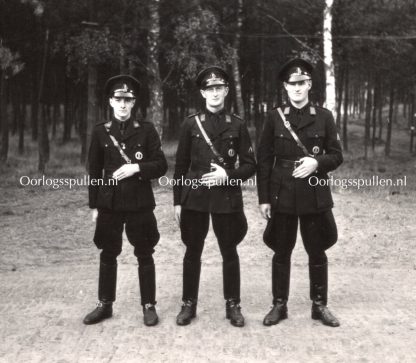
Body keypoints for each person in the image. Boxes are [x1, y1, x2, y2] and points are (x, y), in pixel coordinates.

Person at [257, 58, 343, 327]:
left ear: (309, 85)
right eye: (292, 84)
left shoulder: (325, 117)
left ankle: (319, 305)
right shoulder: (273, 118)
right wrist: (263, 198)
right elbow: (263, 160)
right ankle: (279, 305)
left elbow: (337, 156)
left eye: (302, 83)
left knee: (317, 252)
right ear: (285, 86)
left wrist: (317, 162)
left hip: (314, 194)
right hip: (282, 194)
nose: (297, 88)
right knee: (281, 252)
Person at [173, 66, 256, 327]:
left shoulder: (238, 125)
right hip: (195, 197)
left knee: (229, 251)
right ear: (202, 93)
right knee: (192, 251)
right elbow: (180, 166)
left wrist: (228, 176)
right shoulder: (190, 124)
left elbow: (251, 165)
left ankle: (233, 305)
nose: (215, 93)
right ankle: (188, 304)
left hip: (226, 196)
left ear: (226, 91)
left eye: (219, 88)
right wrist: (177, 201)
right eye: (210, 89)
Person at [83, 75, 167, 326]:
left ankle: (149, 305)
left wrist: (136, 168)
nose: (122, 104)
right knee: (108, 253)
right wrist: (94, 205)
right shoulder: (100, 132)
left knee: (144, 252)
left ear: (133, 103)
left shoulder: (147, 130)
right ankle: (105, 304)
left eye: (127, 100)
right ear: (110, 101)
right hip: (109, 203)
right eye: (118, 99)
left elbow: (161, 165)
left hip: (139, 203)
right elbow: (94, 171)